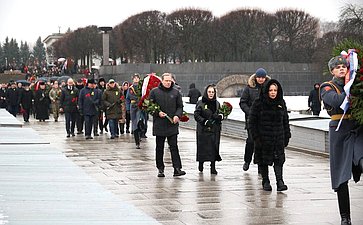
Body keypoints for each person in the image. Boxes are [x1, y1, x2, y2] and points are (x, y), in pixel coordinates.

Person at [320, 55, 363, 225]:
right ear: (332, 71)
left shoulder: (354, 84)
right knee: (341, 177)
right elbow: (336, 101)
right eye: (337, 67)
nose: (341, 69)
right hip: (339, 131)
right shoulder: (327, 87)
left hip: (357, 129)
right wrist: (349, 87)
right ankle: (345, 217)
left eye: (344, 66)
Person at [248, 79, 291, 192]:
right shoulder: (258, 103)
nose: (273, 92)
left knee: (278, 160)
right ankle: (265, 180)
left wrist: (287, 135)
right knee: (263, 160)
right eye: (271, 90)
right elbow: (252, 122)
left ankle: (280, 181)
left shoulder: (281, 103)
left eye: (275, 90)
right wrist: (256, 138)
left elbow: (285, 120)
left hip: (278, 137)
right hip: (263, 138)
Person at [149, 73, 185, 177]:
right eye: (166, 81)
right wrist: (157, 113)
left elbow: (180, 106)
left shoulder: (176, 92)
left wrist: (177, 115)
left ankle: (177, 168)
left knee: (174, 146)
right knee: (159, 147)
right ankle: (160, 168)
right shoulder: (155, 92)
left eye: (170, 81)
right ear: (162, 81)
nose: (168, 83)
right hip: (159, 124)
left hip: (172, 124)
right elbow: (150, 107)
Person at [239, 68, 270, 172]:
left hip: (264, 121)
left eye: (262, 77)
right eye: (259, 77)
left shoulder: (269, 88)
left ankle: (260, 165)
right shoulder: (249, 88)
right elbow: (242, 102)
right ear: (255, 78)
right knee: (251, 141)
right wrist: (250, 112)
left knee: (262, 143)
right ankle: (247, 160)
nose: (261, 79)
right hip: (252, 120)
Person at [194, 84, 223, 174]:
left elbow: (221, 113)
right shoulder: (201, 102)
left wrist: (220, 116)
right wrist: (204, 121)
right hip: (203, 129)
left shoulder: (217, 103)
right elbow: (196, 115)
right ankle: (201, 163)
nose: (211, 94)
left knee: (214, 147)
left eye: (213, 92)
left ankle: (213, 166)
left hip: (215, 129)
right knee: (203, 147)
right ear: (206, 92)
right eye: (209, 92)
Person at [126, 73, 143, 148]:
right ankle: (137, 142)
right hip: (133, 106)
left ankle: (140, 135)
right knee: (135, 123)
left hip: (140, 106)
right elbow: (128, 98)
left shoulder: (142, 87)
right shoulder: (131, 88)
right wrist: (127, 108)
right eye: (134, 78)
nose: (136, 79)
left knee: (140, 121)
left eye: (137, 78)